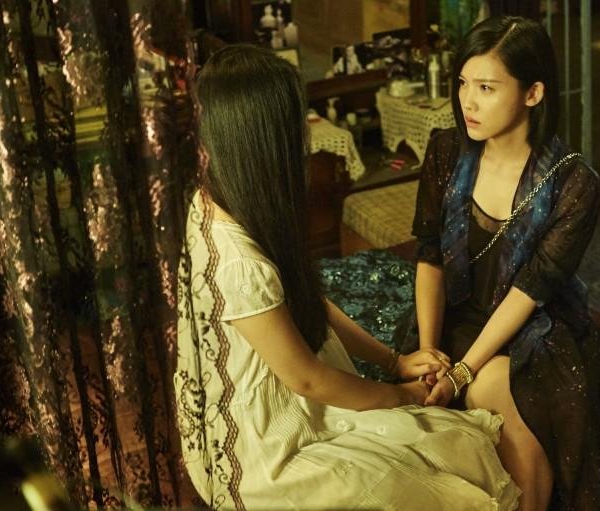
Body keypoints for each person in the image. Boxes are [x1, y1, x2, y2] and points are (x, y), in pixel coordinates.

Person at [174, 44, 520, 510]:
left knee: (454, 446)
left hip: (273, 404)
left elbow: (307, 302)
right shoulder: (237, 262)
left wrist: (395, 361)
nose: (306, 137)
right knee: (435, 472)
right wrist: (398, 395)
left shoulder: (214, 199)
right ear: (265, 140)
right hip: (260, 450)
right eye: (298, 123)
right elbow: (309, 380)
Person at [396, 16, 600, 510]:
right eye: (463, 83)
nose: (467, 102)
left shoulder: (573, 184)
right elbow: (430, 255)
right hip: (453, 313)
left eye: (487, 88)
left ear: (533, 93)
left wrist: (462, 372)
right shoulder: (445, 150)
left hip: (529, 329)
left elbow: (531, 289)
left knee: (500, 400)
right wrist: (427, 348)